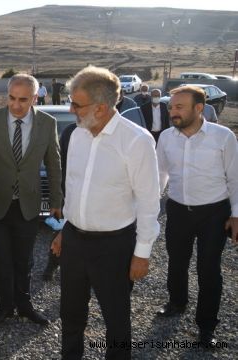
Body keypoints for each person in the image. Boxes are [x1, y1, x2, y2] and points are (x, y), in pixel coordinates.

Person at [51, 66, 160, 360]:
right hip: (75, 240)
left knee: (116, 318)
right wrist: (65, 229)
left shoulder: (136, 141)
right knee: (71, 313)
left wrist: (142, 253)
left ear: (100, 107)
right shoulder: (76, 135)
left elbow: (149, 201)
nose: (71, 109)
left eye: (76, 104)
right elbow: (73, 188)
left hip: (114, 246)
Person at [0, 73, 62, 325]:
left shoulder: (47, 123)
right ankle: (5, 307)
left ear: (35, 97)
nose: (16, 105)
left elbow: (54, 164)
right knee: (2, 258)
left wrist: (57, 200)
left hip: (27, 205)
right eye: (11, 98)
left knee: (24, 259)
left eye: (23, 99)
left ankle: (25, 306)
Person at [155, 85, 238, 348]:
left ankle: (206, 327)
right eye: (171, 107)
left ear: (199, 108)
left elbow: (235, 177)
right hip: (178, 210)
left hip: (214, 213)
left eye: (179, 107)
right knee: (177, 261)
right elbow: (160, 175)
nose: (172, 112)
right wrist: (150, 207)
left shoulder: (223, 137)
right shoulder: (167, 137)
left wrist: (236, 215)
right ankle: (177, 302)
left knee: (208, 269)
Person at [42, 121, 77, 281]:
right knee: (61, 231)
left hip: (93, 196)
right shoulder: (71, 131)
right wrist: (60, 191)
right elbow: (59, 163)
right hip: (69, 192)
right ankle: (52, 265)